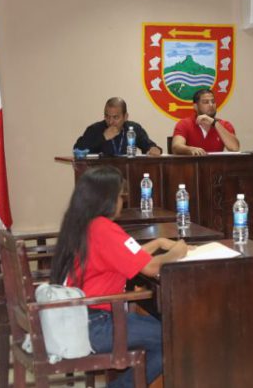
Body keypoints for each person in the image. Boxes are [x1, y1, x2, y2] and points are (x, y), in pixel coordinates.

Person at [49, 166, 190, 388]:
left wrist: (158, 243)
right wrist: (178, 251)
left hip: (77, 319)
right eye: (120, 197)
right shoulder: (104, 228)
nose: (122, 202)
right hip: (95, 325)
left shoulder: (84, 223)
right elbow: (151, 268)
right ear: (107, 199)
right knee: (175, 337)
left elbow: (127, 254)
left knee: (160, 330)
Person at [74, 97, 162, 156]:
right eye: (107, 116)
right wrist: (103, 137)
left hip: (128, 174)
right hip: (102, 176)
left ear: (125, 116)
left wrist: (154, 149)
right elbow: (78, 150)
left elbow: (149, 146)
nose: (110, 121)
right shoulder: (95, 129)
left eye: (115, 117)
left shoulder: (134, 128)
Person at [171, 88, 240, 155]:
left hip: (217, 163)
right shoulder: (184, 124)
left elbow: (235, 148)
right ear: (195, 106)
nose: (211, 105)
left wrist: (214, 123)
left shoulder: (225, 124)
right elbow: (176, 147)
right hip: (193, 162)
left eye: (213, 102)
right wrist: (190, 149)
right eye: (206, 102)